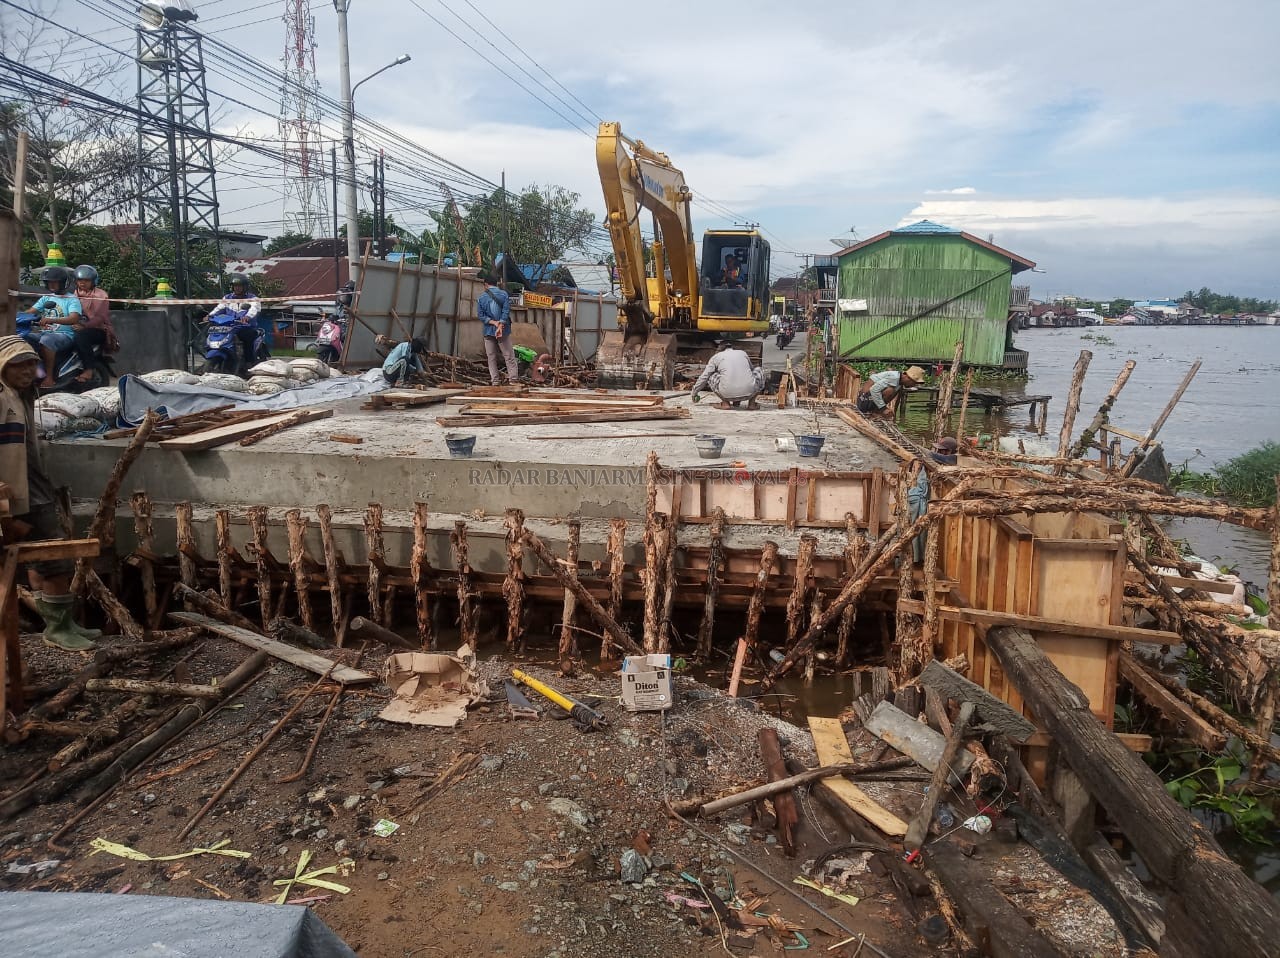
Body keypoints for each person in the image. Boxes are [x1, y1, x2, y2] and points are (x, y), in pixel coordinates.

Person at [0, 336, 102, 650]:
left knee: (39, 560)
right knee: (55, 556)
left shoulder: (22, 396)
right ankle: (58, 627)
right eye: (19, 364)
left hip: (32, 490)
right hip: (16, 496)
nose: (28, 370)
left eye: (32, 363)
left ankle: (59, 623)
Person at [26, 265, 84, 388]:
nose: (51, 285)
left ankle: (49, 377)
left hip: (65, 335)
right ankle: (35, 371)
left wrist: (50, 319)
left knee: (46, 341)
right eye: (49, 282)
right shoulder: (46, 298)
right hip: (45, 333)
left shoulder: (72, 299)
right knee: (25, 337)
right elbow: (30, 312)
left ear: (63, 283)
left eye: (55, 282)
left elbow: (74, 318)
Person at [906, 436, 959, 563]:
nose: (938, 452)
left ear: (948, 451)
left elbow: (934, 456)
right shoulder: (940, 459)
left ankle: (917, 558)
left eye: (941, 450)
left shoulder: (951, 459)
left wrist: (924, 451)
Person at [71, 264, 118, 383]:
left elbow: (100, 317)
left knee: (82, 337)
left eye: (86, 280)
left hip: (99, 329)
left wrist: (84, 326)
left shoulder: (101, 295)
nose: (82, 283)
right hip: (76, 326)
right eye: (80, 280)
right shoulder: (73, 295)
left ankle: (89, 369)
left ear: (93, 281)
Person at [691, 342, 766, 409]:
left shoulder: (716, 357)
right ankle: (751, 404)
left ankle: (725, 403)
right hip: (750, 392)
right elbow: (751, 370)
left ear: (719, 350)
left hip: (727, 394)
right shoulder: (742, 353)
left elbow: (704, 376)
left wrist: (694, 392)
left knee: (710, 375)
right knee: (760, 370)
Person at [478, 271, 517, 386]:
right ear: (497, 283)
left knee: (491, 357)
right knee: (509, 356)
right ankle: (513, 380)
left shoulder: (481, 298)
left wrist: (493, 323)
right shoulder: (504, 294)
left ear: (486, 284)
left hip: (488, 331)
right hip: (503, 331)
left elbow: (481, 316)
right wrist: (500, 325)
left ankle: (495, 381)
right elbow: (506, 311)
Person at [218, 274, 262, 370]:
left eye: (239, 286)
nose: (237, 288)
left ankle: (248, 362)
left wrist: (247, 317)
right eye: (235, 286)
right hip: (230, 327)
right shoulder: (227, 298)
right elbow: (219, 309)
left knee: (247, 337)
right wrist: (209, 315)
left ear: (245, 287)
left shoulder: (252, 298)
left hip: (246, 326)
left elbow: (254, 309)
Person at [857, 365, 925, 416]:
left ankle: (876, 411)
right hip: (864, 401)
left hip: (869, 400)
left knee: (895, 389)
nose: (913, 385)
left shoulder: (899, 381)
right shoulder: (894, 377)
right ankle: (875, 411)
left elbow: (898, 398)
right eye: (913, 382)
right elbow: (874, 390)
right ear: (907, 377)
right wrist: (883, 409)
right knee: (890, 390)